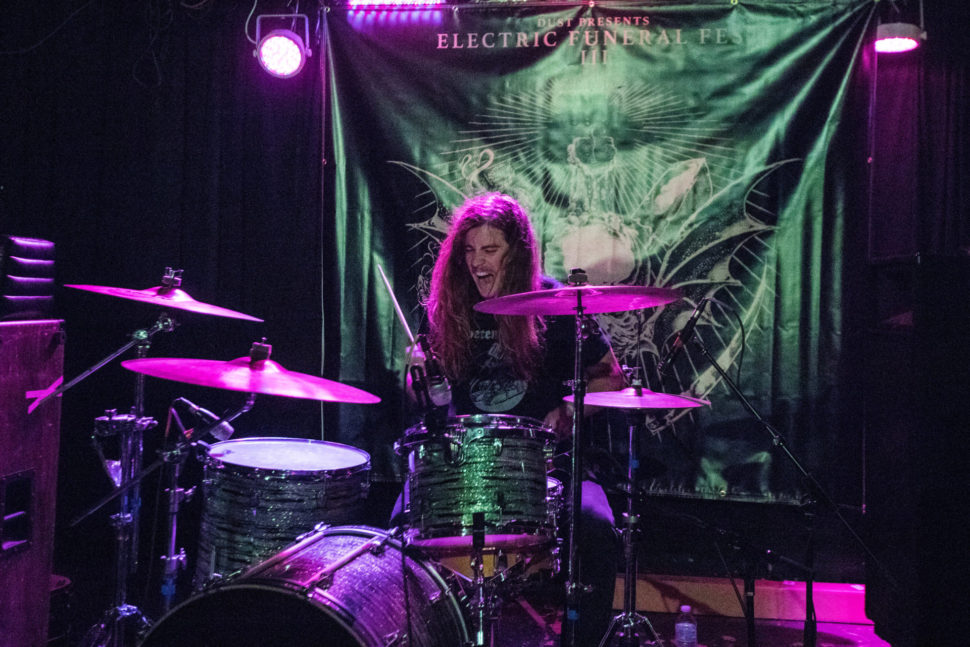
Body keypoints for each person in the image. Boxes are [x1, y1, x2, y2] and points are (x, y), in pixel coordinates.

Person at [404, 192, 625, 646]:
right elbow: (422, 389)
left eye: (490, 250)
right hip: (463, 465)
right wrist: (416, 377)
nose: (476, 263)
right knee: (401, 526)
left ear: (517, 251)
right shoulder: (450, 305)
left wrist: (567, 409)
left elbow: (613, 381)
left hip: (546, 464)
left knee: (597, 529)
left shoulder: (556, 304)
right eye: (468, 251)